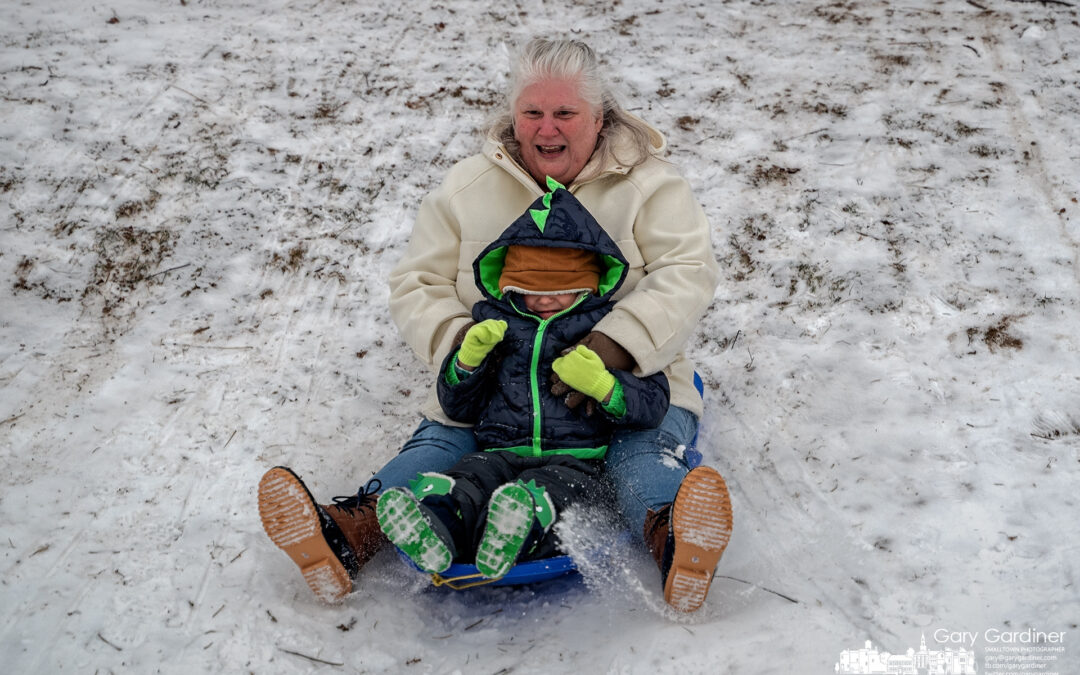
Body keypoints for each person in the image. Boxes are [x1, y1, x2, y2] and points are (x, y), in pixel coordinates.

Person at [258, 36, 733, 613]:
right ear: (513, 115)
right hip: (497, 385)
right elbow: (418, 282)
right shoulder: (468, 187)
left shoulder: (651, 185)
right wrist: (464, 349)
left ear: (599, 117)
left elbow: (688, 273)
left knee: (637, 451)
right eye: (532, 112)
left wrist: (614, 348)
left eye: (564, 113)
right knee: (443, 442)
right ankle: (350, 532)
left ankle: (672, 540)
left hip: (623, 379)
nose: (546, 129)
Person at [376, 182, 670, 580]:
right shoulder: (496, 325)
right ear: (507, 285)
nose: (545, 300)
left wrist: (603, 384)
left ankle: (518, 529)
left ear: (590, 284)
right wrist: (465, 364)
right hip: (497, 450)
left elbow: (652, 404)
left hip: (576, 460)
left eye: (561, 290)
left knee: (549, 493)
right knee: (469, 480)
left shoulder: (607, 329)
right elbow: (458, 407)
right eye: (529, 290)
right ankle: (436, 525)